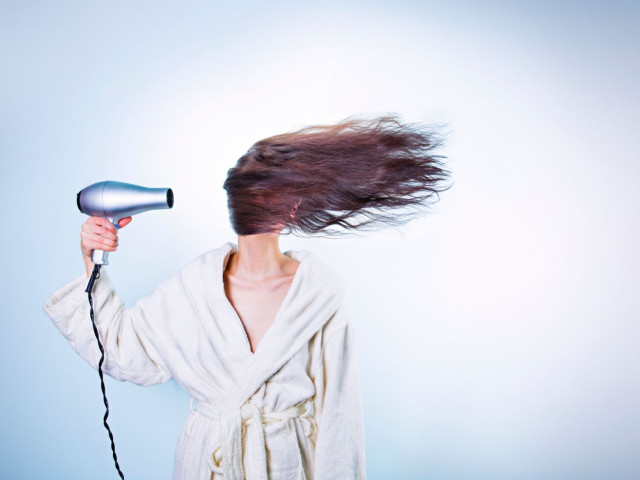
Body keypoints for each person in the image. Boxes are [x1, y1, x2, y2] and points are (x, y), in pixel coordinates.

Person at [43, 115, 450, 480]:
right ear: (292, 207)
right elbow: (120, 352)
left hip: (289, 466)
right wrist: (90, 262)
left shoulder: (318, 297)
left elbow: (339, 422)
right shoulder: (193, 289)